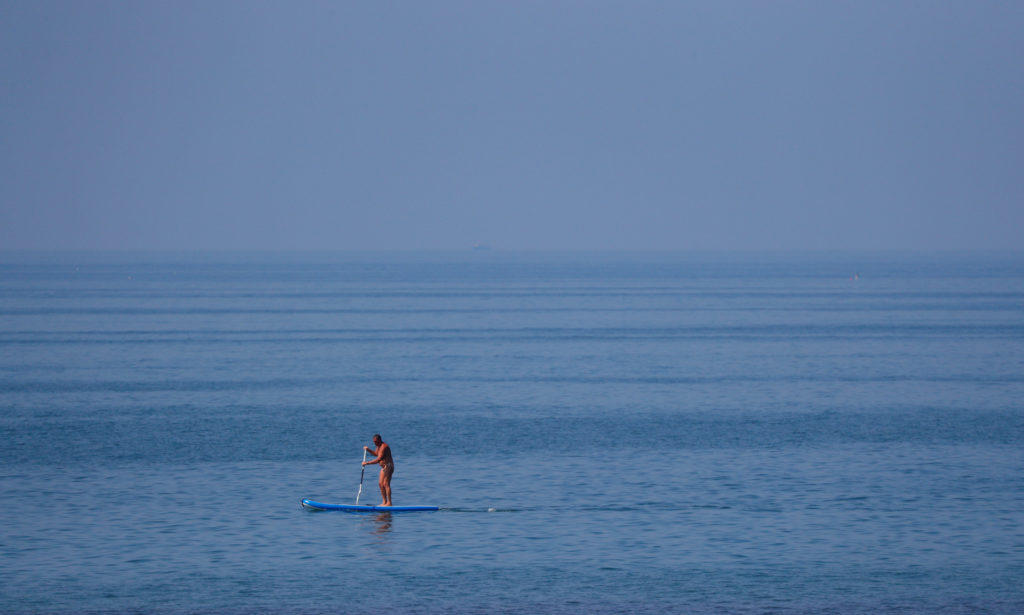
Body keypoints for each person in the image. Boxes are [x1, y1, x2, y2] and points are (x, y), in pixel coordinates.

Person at [362, 434, 394, 506]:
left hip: (389, 466)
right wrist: (368, 449)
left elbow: (378, 459)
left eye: (376, 441)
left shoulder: (384, 447)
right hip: (383, 468)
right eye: (374, 442)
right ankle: (384, 502)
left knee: (386, 484)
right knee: (380, 484)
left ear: (379, 440)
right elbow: (376, 454)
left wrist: (367, 463)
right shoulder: (378, 446)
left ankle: (389, 502)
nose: (375, 443)